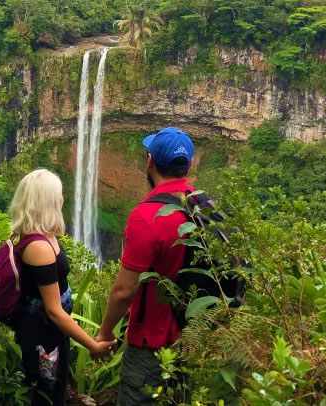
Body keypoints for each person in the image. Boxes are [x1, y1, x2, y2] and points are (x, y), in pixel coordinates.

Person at [95, 127, 197, 405]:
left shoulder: (147, 216)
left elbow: (123, 292)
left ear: (149, 161)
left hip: (151, 343)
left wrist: (104, 333)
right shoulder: (205, 207)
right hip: (195, 340)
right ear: (188, 164)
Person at [9, 169, 116, 405]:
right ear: (47, 202)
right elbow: (54, 310)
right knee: (48, 395)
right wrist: (93, 346)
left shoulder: (44, 235)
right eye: (58, 194)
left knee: (55, 387)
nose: (63, 199)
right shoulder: (39, 247)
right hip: (43, 336)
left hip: (52, 333)